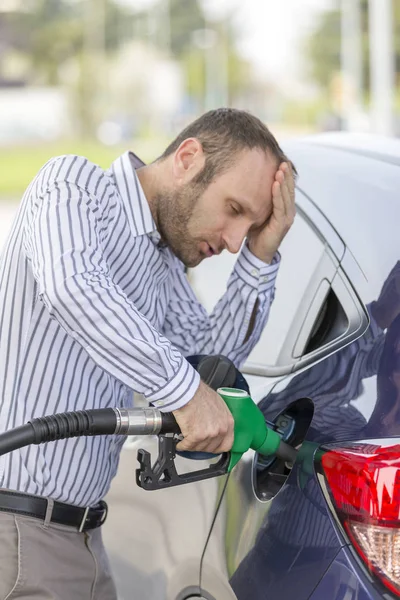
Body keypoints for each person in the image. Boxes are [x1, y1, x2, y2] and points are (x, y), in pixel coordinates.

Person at [0, 108, 296, 599]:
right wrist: (184, 393)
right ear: (187, 158)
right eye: (234, 209)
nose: (231, 239)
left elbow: (210, 363)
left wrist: (261, 257)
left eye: (249, 227)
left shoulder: (161, 263)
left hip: (86, 538)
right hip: (20, 533)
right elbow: (75, 288)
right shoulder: (74, 186)